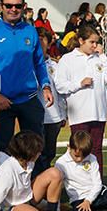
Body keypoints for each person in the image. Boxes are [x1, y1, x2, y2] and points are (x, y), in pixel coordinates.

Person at [0, 0, 54, 152]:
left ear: (24, 7)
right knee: (2, 153)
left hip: (29, 99)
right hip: (2, 101)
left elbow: (39, 63)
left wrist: (45, 86)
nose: (13, 9)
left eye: (17, 6)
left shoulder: (30, 31)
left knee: (35, 150)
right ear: (1, 6)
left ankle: (36, 178)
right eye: (8, 5)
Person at [0, 130, 68, 211]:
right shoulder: (7, 171)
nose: (39, 153)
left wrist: (57, 210)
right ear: (28, 152)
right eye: (37, 151)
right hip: (13, 206)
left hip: (29, 197)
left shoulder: (29, 162)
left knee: (55, 173)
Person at [54, 25, 107, 170]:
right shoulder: (68, 59)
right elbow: (60, 85)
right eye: (91, 42)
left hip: (99, 114)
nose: (95, 45)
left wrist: (104, 57)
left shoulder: (100, 59)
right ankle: (78, 185)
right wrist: (79, 84)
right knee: (79, 150)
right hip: (79, 114)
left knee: (96, 150)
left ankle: (98, 185)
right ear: (81, 41)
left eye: (97, 42)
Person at [55, 130, 107, 211]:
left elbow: (97, 184)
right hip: (78, 199)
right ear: (69, 147)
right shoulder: (61, 163)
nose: (80, 159)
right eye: (76, 156)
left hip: (97, 195)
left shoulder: (92, 158)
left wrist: (88, 200)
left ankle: (97, 209)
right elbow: (57, 190)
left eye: (84, 156)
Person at [35, 27, 67, 173]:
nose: (40, 42)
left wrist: (63, 114)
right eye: (37, 39)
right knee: (35, 154)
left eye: (43, 39)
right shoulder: (28, 65)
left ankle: (47, 186)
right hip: (35, 116)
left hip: (53, 117)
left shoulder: (56, 65)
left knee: (50, 152)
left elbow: (60, 92)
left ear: (49, 43)